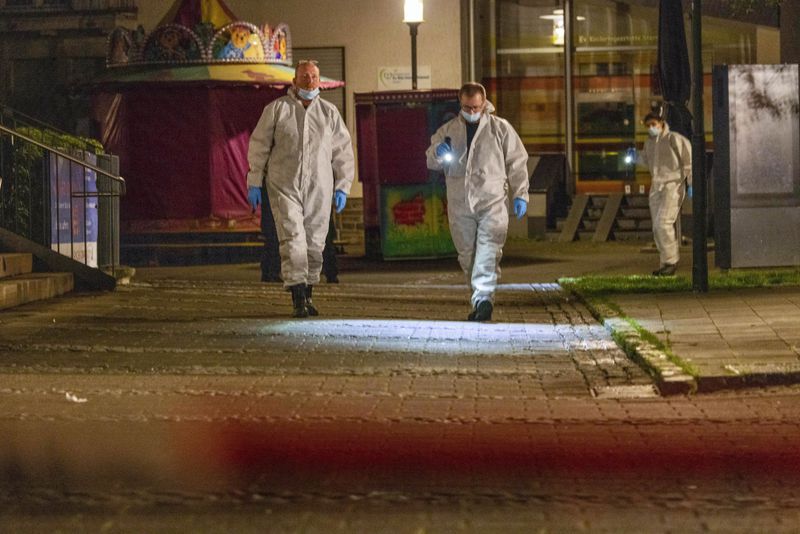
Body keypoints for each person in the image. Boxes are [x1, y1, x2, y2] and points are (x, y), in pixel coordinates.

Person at [246, 60, 354, 317]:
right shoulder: (277, 110)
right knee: (293, 238)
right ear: (294, 81)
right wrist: (254, 180)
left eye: (314, 77)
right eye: (304, 77)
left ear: (320, 81)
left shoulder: (329, 113)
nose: (309, 81)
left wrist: (343, 186)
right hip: (284, 184)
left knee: (315, 241)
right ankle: (297, 295)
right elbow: (259, 146)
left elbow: (343, 152)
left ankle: (308, 293)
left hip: (320, 186)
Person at [426, 82, 529, 322]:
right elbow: (430, 159)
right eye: (466, 107)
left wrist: (521, 194)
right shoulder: (448, 131)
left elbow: (517, 161)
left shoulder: (500, 129)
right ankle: (478, 299)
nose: (471, 112)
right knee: (467, 255)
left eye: (475, 107)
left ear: (484, 105)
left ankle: (484, 300)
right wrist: (438, 152)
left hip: (491, 200)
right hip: (460, 203)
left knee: (488, 251)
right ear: (460, 104)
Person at [638, 111, 692, 276]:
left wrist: (691, 183)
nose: (651, 128)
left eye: (653, 124)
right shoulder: (650, 143)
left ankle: (670, 262)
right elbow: (646, 162)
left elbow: (688, 161)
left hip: (673, 185)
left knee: (663, 223)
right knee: (657, 227)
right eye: (648, 126)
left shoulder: (674, 139)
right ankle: (665, 263)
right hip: (657, 186)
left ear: (661, 123)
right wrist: (633, 157)